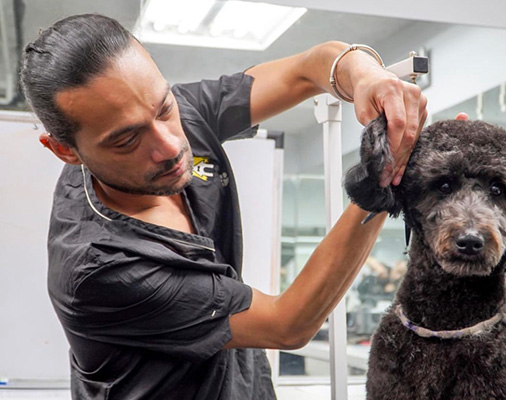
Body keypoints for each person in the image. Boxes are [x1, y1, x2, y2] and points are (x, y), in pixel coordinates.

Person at [20, 13, 427, 400]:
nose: (169, 146)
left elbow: (307, 70)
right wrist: (383, 179)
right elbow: (289, 324)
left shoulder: (176, 113)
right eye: (127, 140)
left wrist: (368, 75)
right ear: (64, 150)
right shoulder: (100, 270)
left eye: (164, 107)